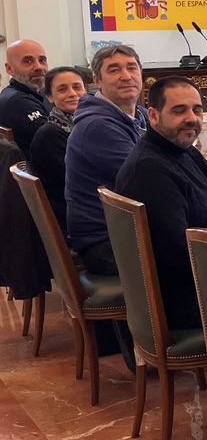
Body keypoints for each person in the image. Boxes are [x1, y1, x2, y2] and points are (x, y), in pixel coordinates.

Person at [114, 77, 207, 331]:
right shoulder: (149, 170)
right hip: (192, 299)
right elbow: (180, 254)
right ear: (153, 115)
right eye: (179, 110)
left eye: (197, 110)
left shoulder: (183, 149)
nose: (192, 118)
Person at [65, 45, 148, 274]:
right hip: (106, 244)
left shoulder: (141, 114)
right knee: (204, 257)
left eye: (132, 67)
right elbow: (148, 179)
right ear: (96, 80)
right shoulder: (97, 126)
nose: (126, 76)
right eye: (114, 70)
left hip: (127, 230)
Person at [28, 67, 89, 234]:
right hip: (74, 219)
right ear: (49, 96)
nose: (72, 93)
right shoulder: (50, 135)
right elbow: (82, 183)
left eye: (77, 87)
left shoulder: (85, 124)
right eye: (62, 89)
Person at [0, 38, 50, 156]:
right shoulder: (17, 102)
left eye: (42, 60)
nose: (38, 67)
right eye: (28, 61)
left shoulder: (35, 93)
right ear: (9, 69)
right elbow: (54, 142)